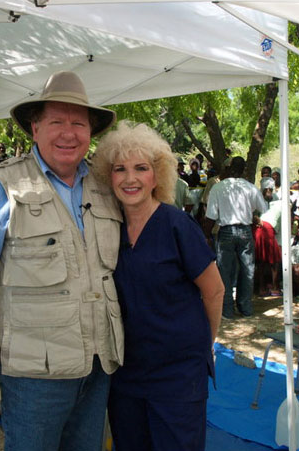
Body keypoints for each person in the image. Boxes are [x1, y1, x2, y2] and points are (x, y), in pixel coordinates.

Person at [0, 71, 124, 451]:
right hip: (35, 376)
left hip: (98, 366)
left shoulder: (104, 186)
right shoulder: (0, 188)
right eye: (56, 121)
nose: (68, 133)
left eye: (78, 123)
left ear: (90, 132)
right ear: (34, 128)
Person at [92, 123, 223, 451]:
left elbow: (215, 290)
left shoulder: (177, 224)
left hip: (178, 374)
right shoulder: (109, 228)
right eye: (120, 169)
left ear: (157, 174)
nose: (130, 178)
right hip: (126, 372)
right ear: (109, 176)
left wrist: (204, 344)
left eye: (141, 168)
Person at [205, 156, 268, 318]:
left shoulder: (219, 188)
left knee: (224, 271)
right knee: (247, 269)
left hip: (226, 230)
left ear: (229, 168)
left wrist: (205, 236)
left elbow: (211, 216)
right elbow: (262, 207)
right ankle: (245, 307)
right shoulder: (250, 187)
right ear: (244, 170)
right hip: (245, 230)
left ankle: (227, 310)